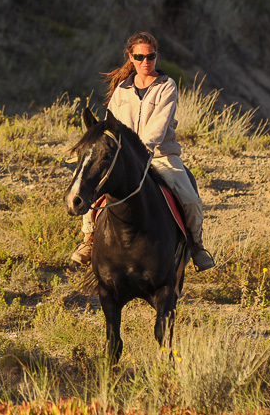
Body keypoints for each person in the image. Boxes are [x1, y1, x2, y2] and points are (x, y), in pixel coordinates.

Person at [70, 31, 215, 271]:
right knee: (92, 185)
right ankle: (89, 239)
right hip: (125, 159)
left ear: (156, 56)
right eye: (139, 57)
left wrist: (141, 153)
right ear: (130, 57)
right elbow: (111, 127)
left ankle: (197, 245)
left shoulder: (166, 86)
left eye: (151, 56)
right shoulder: (121, 91)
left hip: (161, 156)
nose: (145, 62)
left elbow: (158, 126)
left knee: (190, 199)